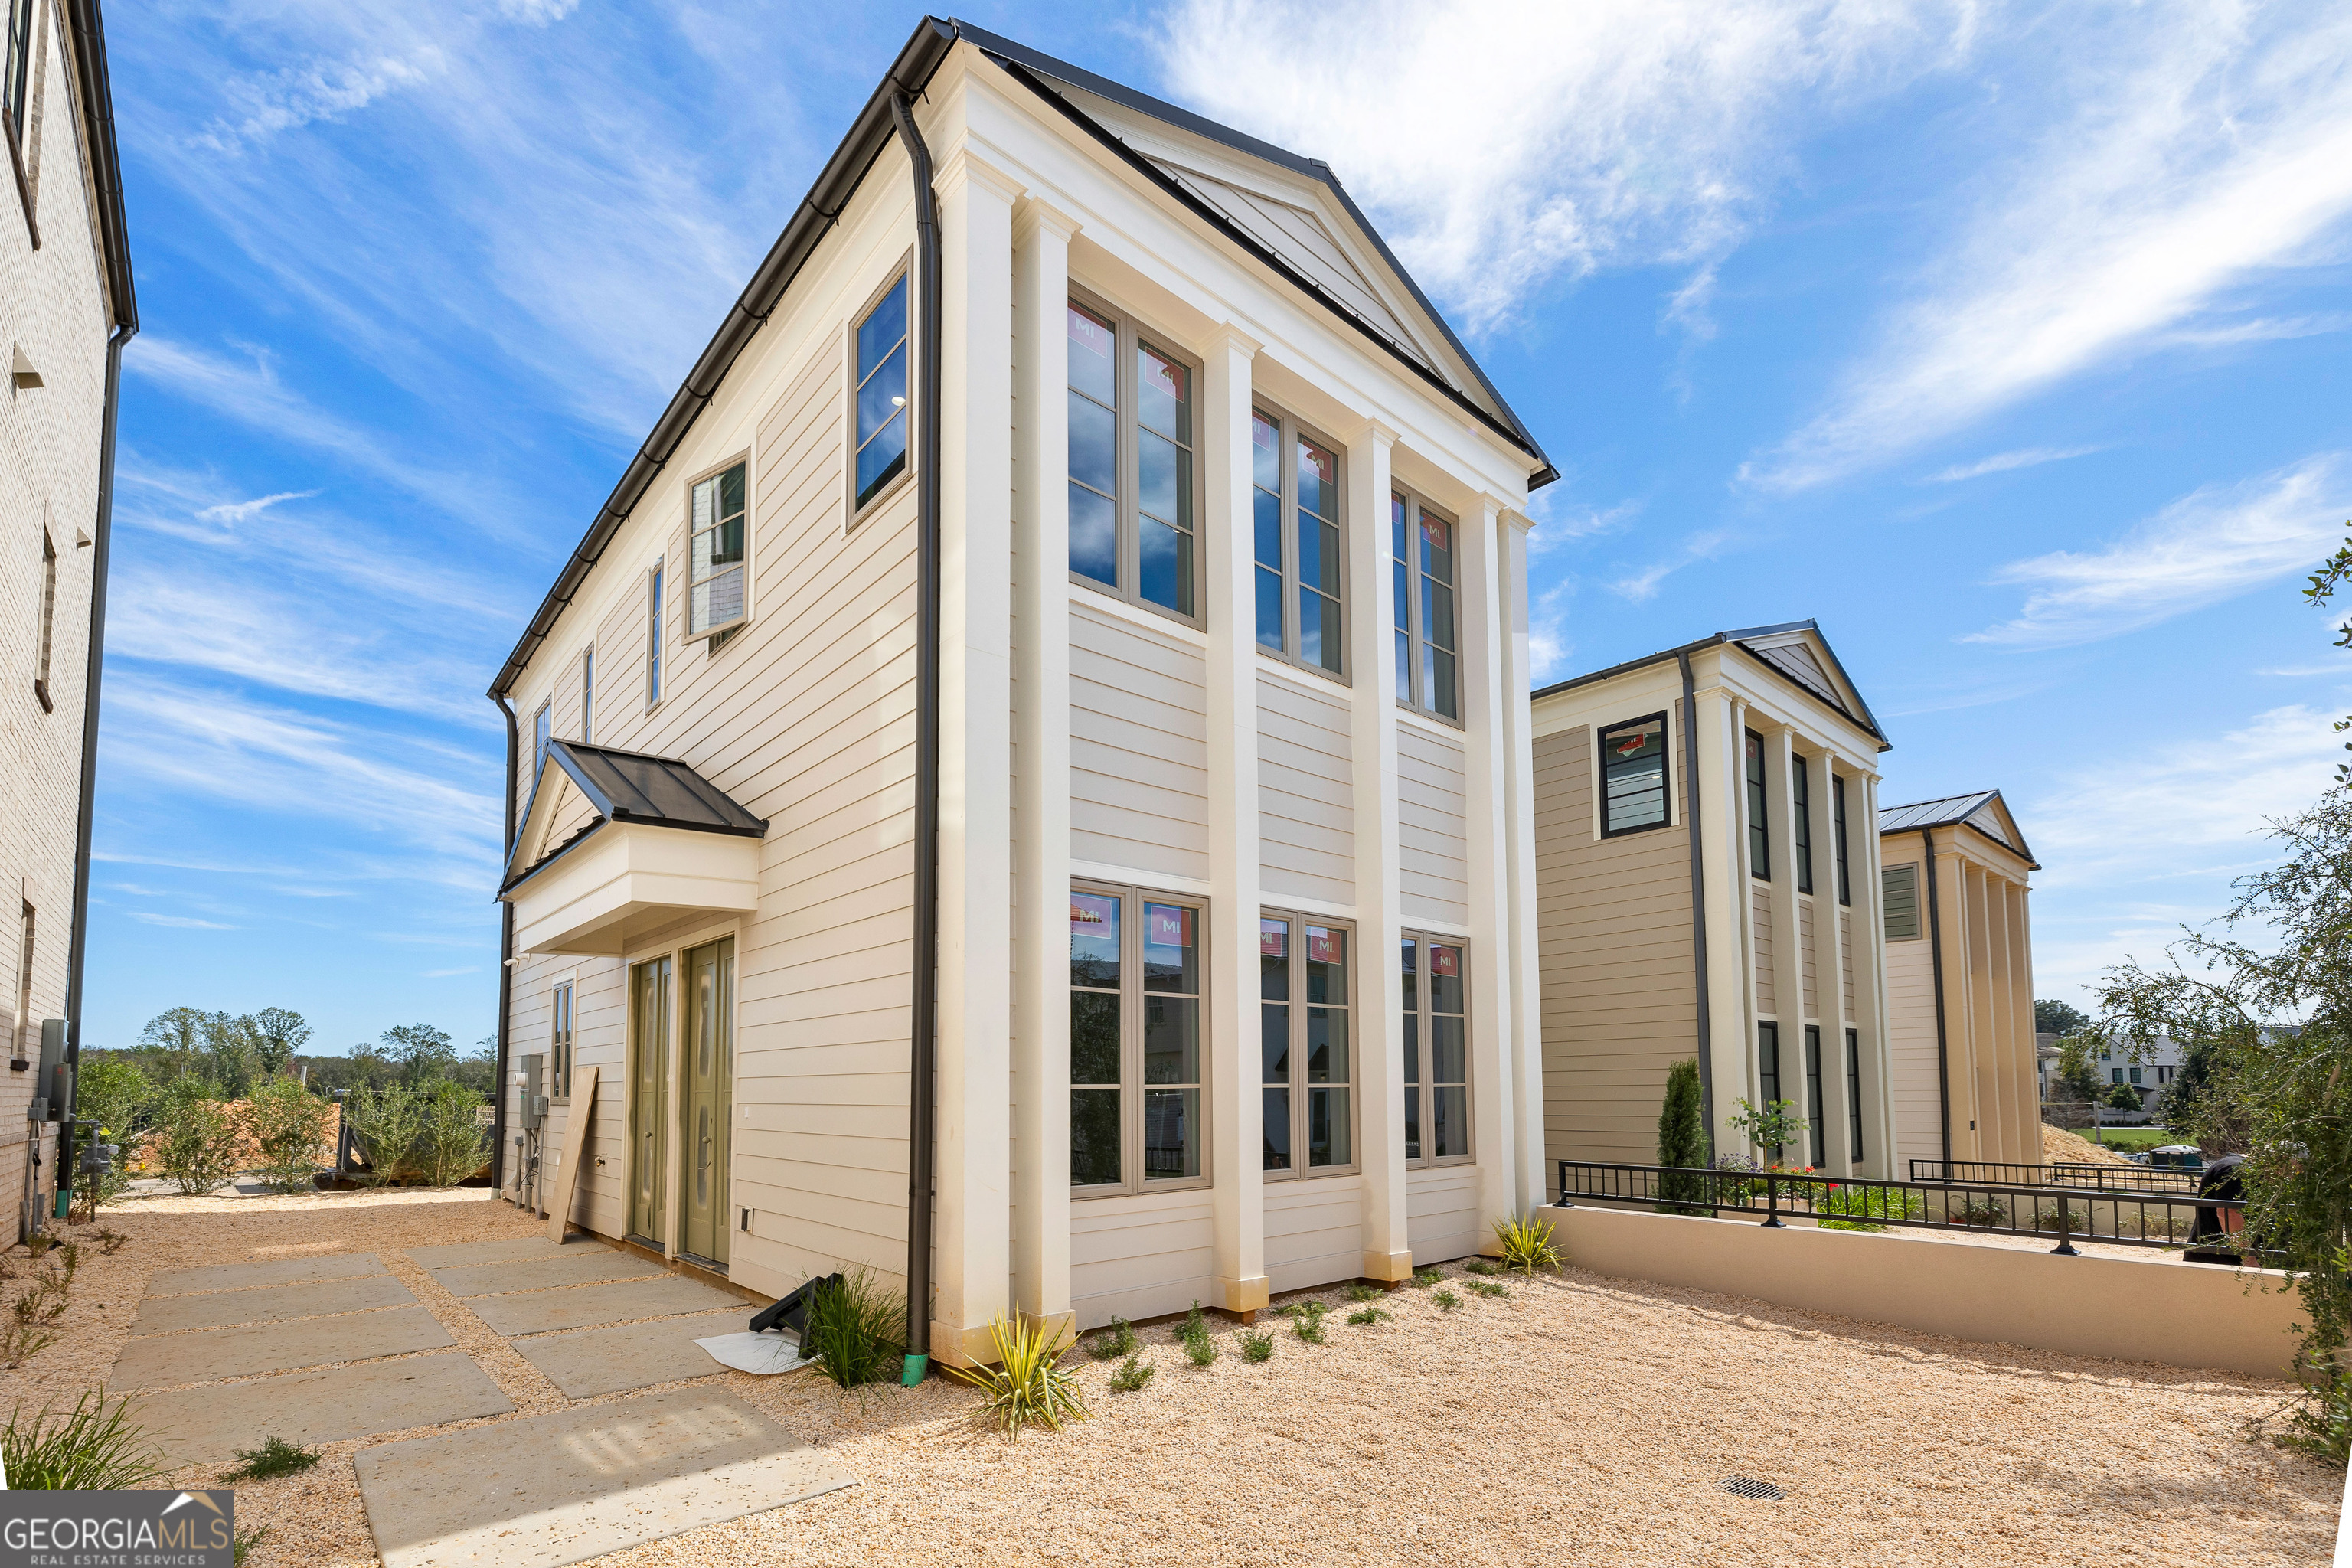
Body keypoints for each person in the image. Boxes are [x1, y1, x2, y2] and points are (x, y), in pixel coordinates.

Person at [2184, 1152, 2247, 1265]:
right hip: (2220, 1258)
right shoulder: (2234, 1169)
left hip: (2210, 1254)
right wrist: (2249, 1258)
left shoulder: (2230, 1165)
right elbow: (2228, 1213)